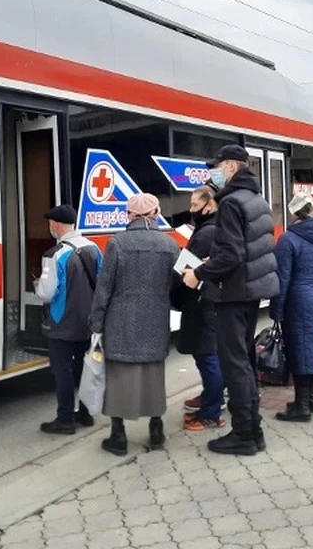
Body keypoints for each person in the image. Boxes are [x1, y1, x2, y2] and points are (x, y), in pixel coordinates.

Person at [182, 144, 279, 456]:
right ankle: (254, 430)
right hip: (251, 293)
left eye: (217, 166)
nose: (213, 173)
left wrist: (199, 271)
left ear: (233, 167)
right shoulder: (257, 200)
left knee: (234, 365)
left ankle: (244, 435)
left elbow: (231, 255)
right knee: (246, 363)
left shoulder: (231, 203)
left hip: (232, 294)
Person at [89, 193, 179, 456]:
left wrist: (96, 323)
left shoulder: (117, 244)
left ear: (128, 214)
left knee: (118, 377)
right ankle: (156, 431)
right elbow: (176, 285)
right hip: (156, 319)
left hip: (121, 321)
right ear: (156, 212)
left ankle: (118, 436)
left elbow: (103, 289)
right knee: (154, 375)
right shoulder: (170, 245)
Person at [34, 204, 102, 435]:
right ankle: (85, 414)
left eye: (50, 223)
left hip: (61, 321)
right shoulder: (93, 248)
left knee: (61, 370)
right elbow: (101, 283)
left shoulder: (53, 255)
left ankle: (65, 419)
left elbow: (47, 293)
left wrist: (37, 286)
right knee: (84, 366)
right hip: (89, 320)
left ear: (55, 225)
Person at [270, 192, 313, 423]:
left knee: (299, 353)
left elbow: (282, 278)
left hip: (299, 303)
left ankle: (301, 406)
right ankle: (311, 400)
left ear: (295, 213)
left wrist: (276, 311)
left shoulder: (288, 239)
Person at [176, 184, 226, 431]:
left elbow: (190, 267)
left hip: (203, 301)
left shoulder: (207, 232)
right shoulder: (213, 228)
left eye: (195, 205)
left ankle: (210, 413)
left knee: (208, 357)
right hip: (209, 300)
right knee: (207, 355)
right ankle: (209, 400)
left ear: (210, 205)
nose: (191, 210)